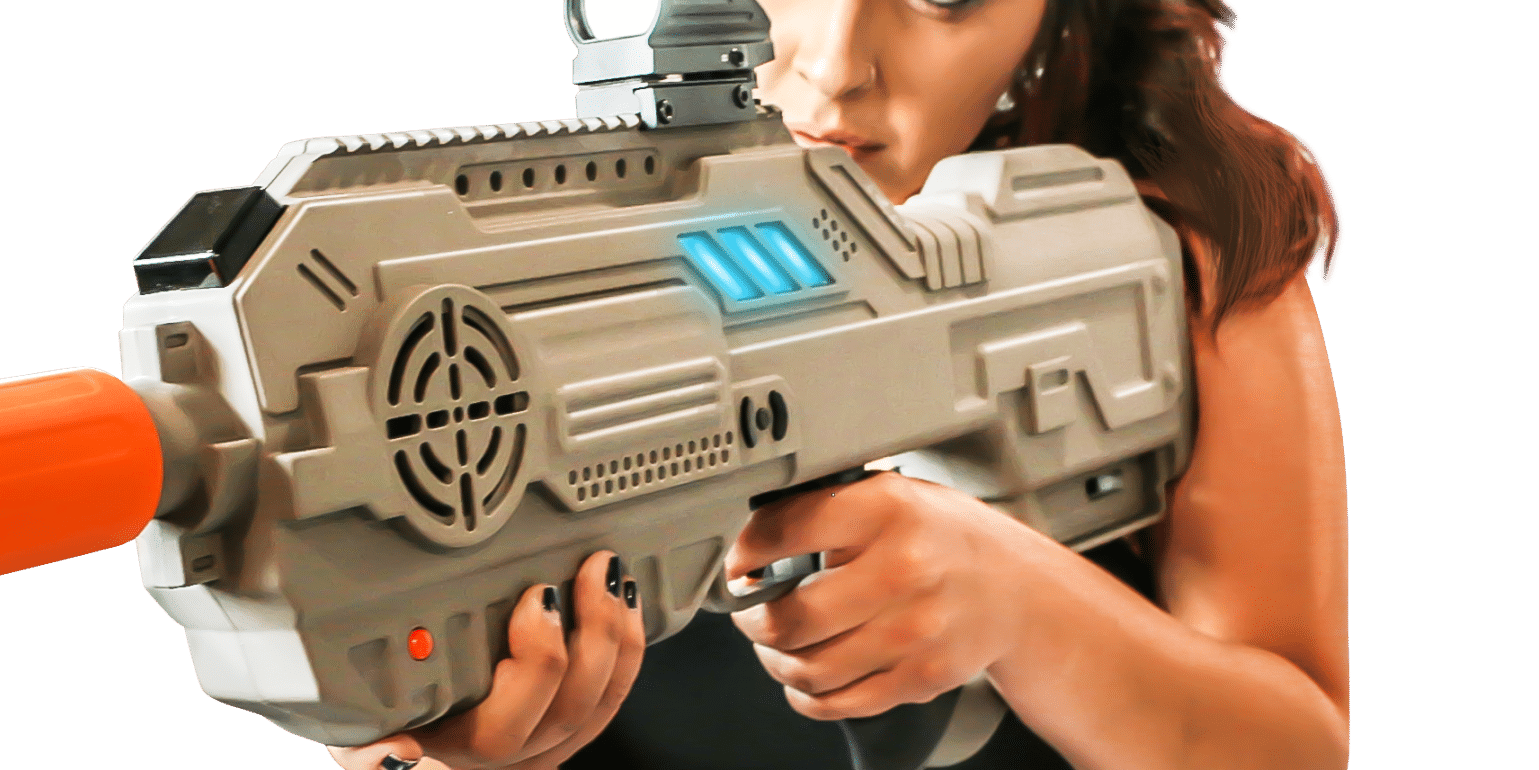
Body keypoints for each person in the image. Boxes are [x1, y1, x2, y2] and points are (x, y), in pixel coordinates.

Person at [329, 1, 1349, 768]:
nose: (835, 65)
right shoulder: (495, 296)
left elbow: (1297, 746)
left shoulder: (1187, 257)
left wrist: (1017, 602)